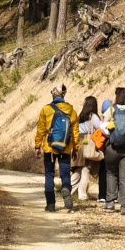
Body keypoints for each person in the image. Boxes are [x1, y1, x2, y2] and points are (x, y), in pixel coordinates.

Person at [35, 84, 79, 212]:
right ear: (63, 95)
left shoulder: (46, 109)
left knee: (49, 174)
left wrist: (37, 146)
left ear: (54, 94)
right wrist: (76, 148)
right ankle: (65, 188)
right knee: (65, 173)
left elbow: (41, 130)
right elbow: (75, 132)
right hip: (65, 147)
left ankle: (51, 204)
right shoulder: (72, 111)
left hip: (50, 147)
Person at [104, 87, 125, 215]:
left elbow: (104, 127)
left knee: (111, 173)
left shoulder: (111, 110)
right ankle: (124, 206)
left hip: (112, 148)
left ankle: (110, 202)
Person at [76, 95, 105, 201]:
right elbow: (102, 128)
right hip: (88, 145)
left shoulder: (81, 116)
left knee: (78, 169)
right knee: (86, 169)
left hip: (79, 144)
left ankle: (70, 189)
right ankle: (82, 194)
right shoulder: (94, 117)